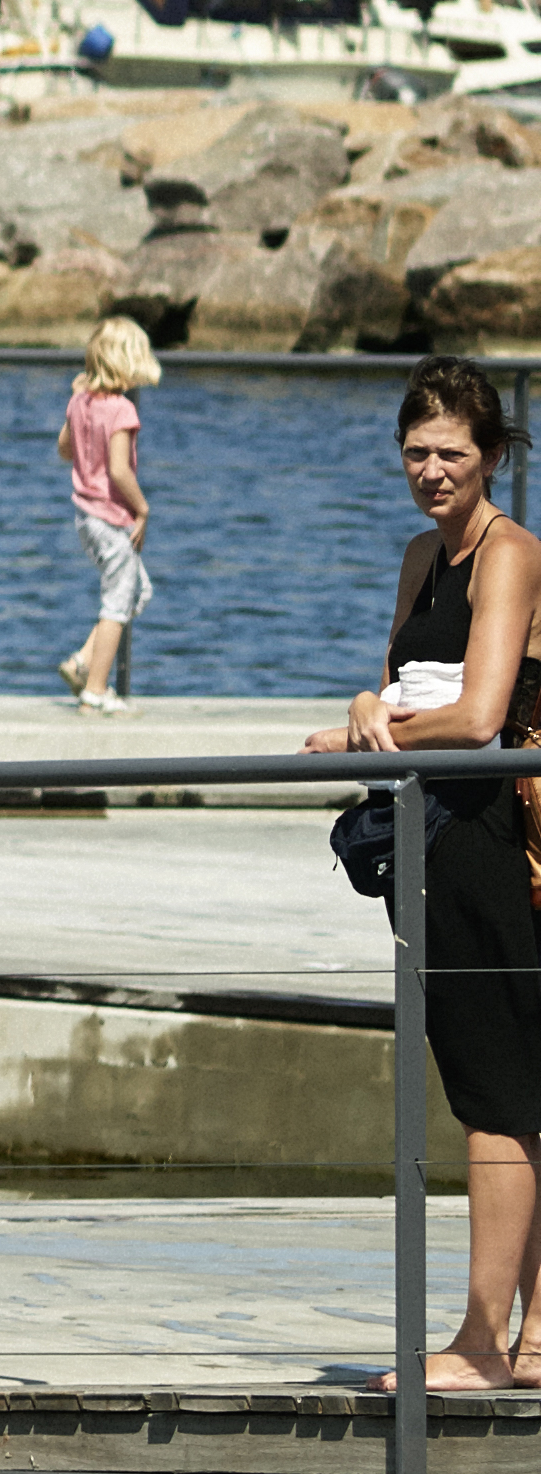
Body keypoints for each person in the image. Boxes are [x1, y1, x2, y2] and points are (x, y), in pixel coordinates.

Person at [309, 358, 541, 1387]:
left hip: (488, 836)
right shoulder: (419, 559)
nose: (431, 470)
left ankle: (484, 1343)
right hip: (430, 831)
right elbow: (404, 685)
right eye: (415, 451)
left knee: (498, 1094)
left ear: (492, 456)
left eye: (451, 452)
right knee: (513, 1088)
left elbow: (482, 715)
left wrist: (377, 722)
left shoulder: (510, 553)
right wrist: (368, 707)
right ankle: (533, 1341)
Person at [54, 316, 159, 712]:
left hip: (85, 517)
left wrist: (74, 410)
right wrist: (143, 509)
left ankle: (83, 661)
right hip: (112, 519)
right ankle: (95, 691)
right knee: (117, 602)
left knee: (136, 590)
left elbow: (65, 450)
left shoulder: (80, 403)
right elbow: (119, 470)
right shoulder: (121, 411)